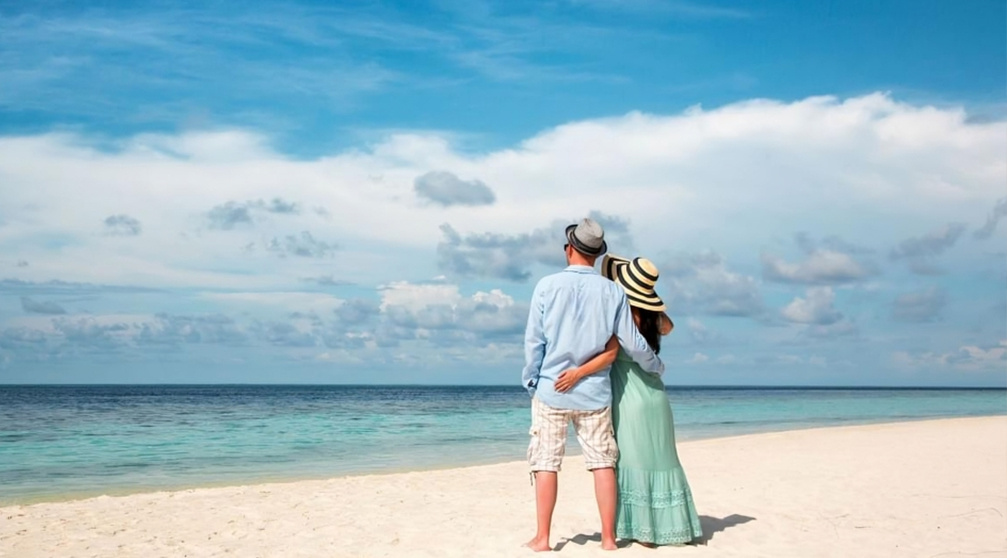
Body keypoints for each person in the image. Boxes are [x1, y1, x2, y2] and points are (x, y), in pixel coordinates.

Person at [522, 219, 666, 552]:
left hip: (551, 390)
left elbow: (534, 341)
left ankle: (543, 538)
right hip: (595, 393)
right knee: (603, 462)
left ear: (569, 249)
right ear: (596, 255)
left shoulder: (546, 286)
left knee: (545, 462)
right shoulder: (613, 291)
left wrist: (531, 381)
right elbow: (631, 342)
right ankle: (608, 538)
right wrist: (655, 366)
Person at [557, 254, 703, 546]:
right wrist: (650, 301)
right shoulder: (650, 318)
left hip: (628, 395)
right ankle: (673, 527)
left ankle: (645, 531)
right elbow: (668, 327)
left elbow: (608, 353)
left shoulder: (619, 319)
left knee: (633, 459)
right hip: (655, 394)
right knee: (662, 458)